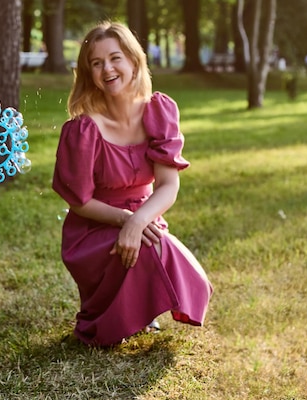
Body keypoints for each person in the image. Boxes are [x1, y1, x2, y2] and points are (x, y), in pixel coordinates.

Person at [52, 21, 212, 347]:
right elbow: (79, 202)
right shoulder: (83, 129)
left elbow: (168, 185)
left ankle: (140, 311)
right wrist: (126, 221)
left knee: (153, 241)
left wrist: (138, 220)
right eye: (96, 63)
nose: (107, 69)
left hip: (145, 215)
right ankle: (108, 321)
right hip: (93, 226)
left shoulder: (159, 112)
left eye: (115, 58)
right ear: (88, 73)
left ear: (134, 61)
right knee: (153, 244)